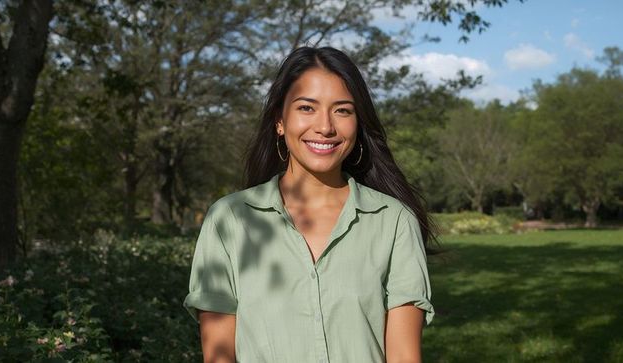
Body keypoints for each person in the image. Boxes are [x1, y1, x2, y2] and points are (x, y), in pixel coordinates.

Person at [183, 46, 436, 363]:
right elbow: (219, 356)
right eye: (307, 108)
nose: (325, 126)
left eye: (342, 110)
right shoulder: (229, 220)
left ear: (357, 125)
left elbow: (403, 356)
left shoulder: (394, 221)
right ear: (279, 119)